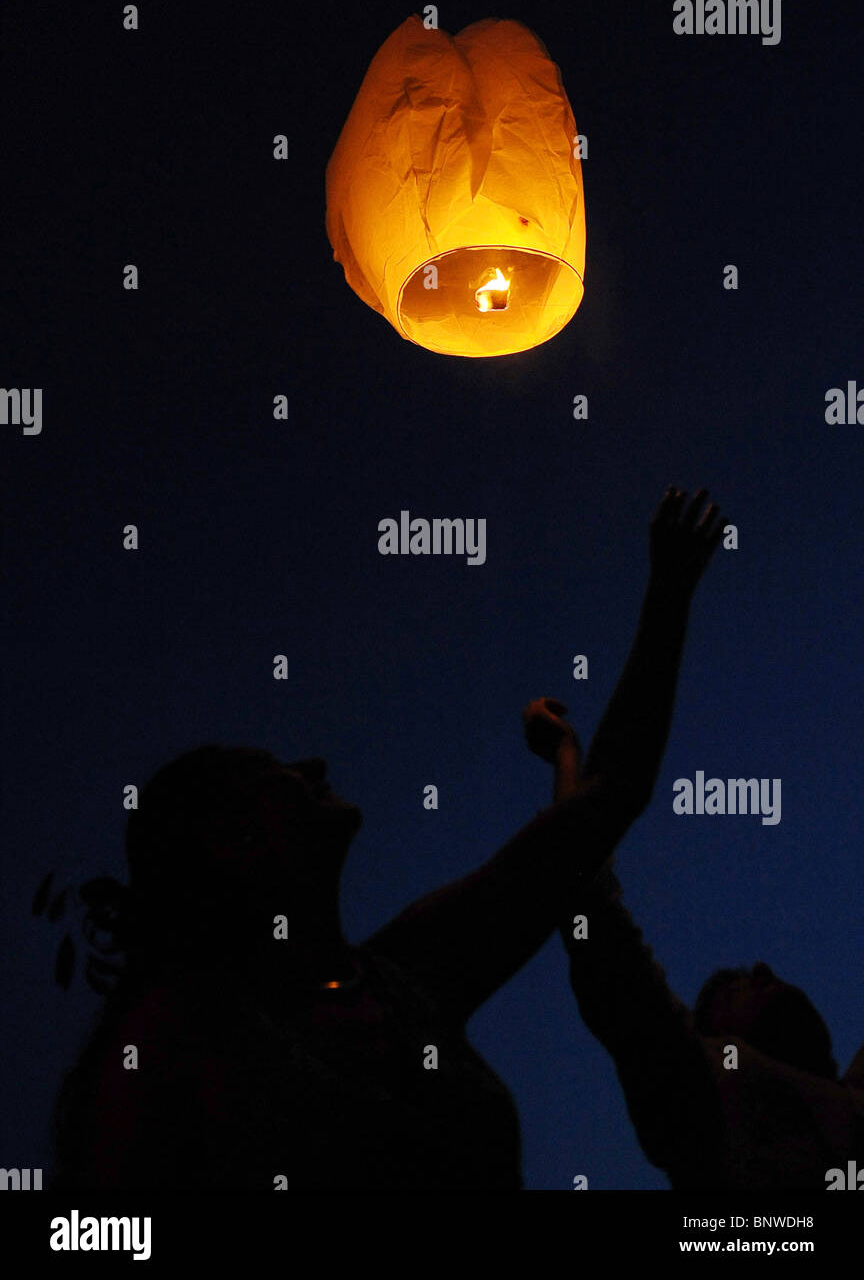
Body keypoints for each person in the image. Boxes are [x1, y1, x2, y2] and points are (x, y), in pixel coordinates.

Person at [51, 485, 724, 1190]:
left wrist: (669, 593)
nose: (309, 766)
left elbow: (602, 805)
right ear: (228, 840)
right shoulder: (171, 1035)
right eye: (267, 772)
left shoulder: (404, 979)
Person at [547, 513, 864, 1190]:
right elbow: (583, 882)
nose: (760, 963)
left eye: (733, 981)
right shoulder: (704, 1092)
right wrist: (668, 593)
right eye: (725, 990)